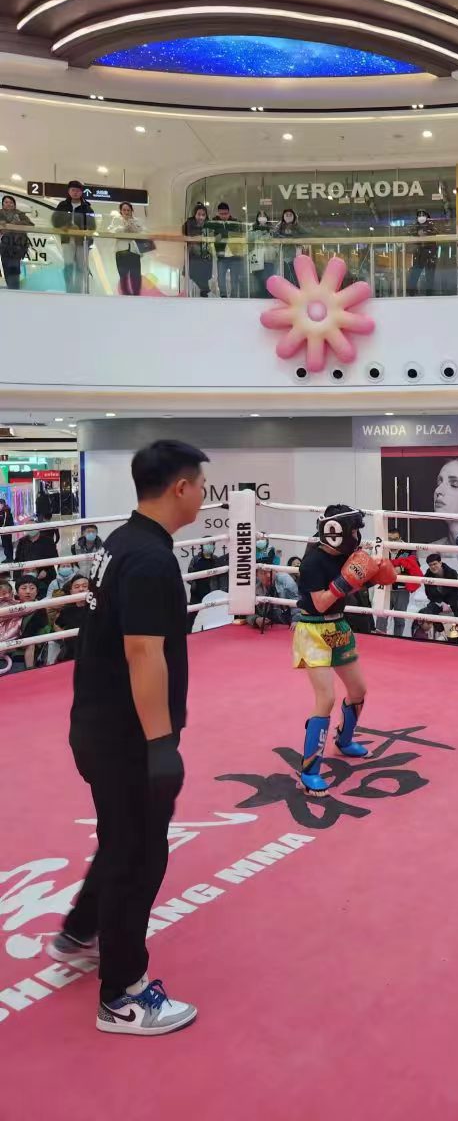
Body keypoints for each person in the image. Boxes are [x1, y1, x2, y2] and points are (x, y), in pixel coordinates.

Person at [49, 439, 209, 1035]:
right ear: (180, 488)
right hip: (127, 737)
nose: (202, 494)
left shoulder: (122, 541)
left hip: (100, 725)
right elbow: (144, 653)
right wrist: (162, 746)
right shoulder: (149, 560)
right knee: (139, 854)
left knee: (122, 840)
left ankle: (81, 929)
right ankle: (122, 995)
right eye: (199, 484)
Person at [292, 504, 396, 796]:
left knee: (358, 689)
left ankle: (344, 740)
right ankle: (309, 770)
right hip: (312, 630)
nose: (356, 536)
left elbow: (359, 584)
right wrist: (348, 580)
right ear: (336, 532)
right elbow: (320, 603)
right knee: (325, 698)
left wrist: (374, 574)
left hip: (338, 627)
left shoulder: (347, 556)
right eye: (353, 531)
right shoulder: (312, 562)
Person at [52, 180, 96, 294]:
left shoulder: (87, 207)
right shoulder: (62, 205)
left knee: (81, 266)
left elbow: (92, 225)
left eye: (78, 190)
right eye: (73, 190)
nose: (75, 192)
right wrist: (65, 226)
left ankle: (78, 290)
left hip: (82, 241)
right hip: (67, 239)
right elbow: (55, 221)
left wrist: (81, 229)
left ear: (81, 192)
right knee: (68, 264)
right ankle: (69, 289)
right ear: (69, 191)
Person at [377, 530, 420, 638]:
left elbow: (416, 565)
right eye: (390, 539)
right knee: (381, 618)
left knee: (399, 619)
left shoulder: (409, 548)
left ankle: (397, 641)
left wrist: (401, 568)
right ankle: (379, 641)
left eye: (395, 539)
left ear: (400, 539)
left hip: (401, 589)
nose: (392, 542)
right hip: (384, 588)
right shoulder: (381, 547)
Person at [108, 201, 148, 296]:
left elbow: (144, 232)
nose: (126, 212)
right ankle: (125, 296)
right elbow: (111, 231)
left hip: (134, 251)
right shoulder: (116, 220)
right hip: (121, 251)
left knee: (136, 276)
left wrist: (134, 228)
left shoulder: (137, 221)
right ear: (121, 211)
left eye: (128, 210)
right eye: (124, 210)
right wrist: (123, 229)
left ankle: (136, 295)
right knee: (123, 276)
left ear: (131, 211)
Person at [50, 573, 90, 661]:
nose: (81, 589)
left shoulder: (97, 608)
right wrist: (65, 637)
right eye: (77, 587)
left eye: (84, 586)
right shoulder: (67, 610)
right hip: (71, 654)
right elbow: (56, 625)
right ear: (71, 592)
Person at [211, 201, 247, 298]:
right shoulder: (214, 223)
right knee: (221, 279)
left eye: (225, 213)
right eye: (221, 214)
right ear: (218, 213)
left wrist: (223, 234)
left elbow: (240, 235)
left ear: (229, 212)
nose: (223, 216)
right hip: (221, 256)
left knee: (234, 279)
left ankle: (233, 298)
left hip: (235, 256)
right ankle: (223, 297)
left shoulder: (235, 222)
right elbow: (211, 235)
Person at [14, 576, 50, 669]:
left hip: (28, 654)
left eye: (32, 588)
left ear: (37, 592)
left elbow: (31, 635)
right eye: (24, 588)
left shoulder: (40, 609)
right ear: (17, 592)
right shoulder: (11, 608)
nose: (28, 591)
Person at [14, 523, 58, 595]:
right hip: (27, 577)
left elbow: (54, 557)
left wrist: (46, 570)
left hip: (45, 577)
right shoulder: (22, 541)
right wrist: (21, 574)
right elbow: (18, 559)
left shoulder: (48, 540)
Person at [0, 194, 33, 290]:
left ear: (14, 204)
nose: (8, 204)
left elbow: (30, 224)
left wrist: (15, 224)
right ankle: (11, 288)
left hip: (17, 244)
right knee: (6, 266)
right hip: (4, 245)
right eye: (6, 202)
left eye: (11, 202)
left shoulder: (20, 214)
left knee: (14, 266)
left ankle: (14, 289)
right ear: (2, 204)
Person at [406, 209, 439, 297]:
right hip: (419, 253)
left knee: (430, 276)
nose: (421, 217)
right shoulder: (415, 226)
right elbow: (408, 233)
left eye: (423, 215)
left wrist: (426, 233)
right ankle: (411, 293)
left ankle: (429, 295)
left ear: (427, 217)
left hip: (430, 254)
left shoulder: (431, 226)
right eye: (419, 215)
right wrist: (417, 234)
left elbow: (437, 232)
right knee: (415, 273)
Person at [183, 203, 213, 297]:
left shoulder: (209, 225)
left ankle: (204, 290)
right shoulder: (189, 223)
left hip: (205, 255)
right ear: (194, 214)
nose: (201, 217)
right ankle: (204, 290)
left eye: (203, 215)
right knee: (194, 273)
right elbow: (185, 235)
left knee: (203, 275)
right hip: (193, 255)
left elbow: (212, 237)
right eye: (199, 214)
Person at [187, 540, 228, 604]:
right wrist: (194, 583)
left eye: (211, 545)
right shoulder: (195, 560)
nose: (209, 547)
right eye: (207, 545)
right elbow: (188, 578)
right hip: (196, 595)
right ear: (202, 546)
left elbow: (220, 578)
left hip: (211, 594)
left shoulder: (216, 560)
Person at [248, 211, 276, 299]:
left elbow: (274, 240)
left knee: (268, 279)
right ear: (257, 218)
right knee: (259, 279)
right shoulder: (253, 228)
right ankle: (261, 297)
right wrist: (259, 231)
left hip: (268, 258)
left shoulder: (271, 229)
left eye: (264, 215)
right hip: (257, 258)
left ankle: (268, 297)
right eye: (260, 215)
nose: (262, 217)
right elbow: (249, 239)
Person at [274, 208, 302, 281]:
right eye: (287, 215)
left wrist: (293, 237)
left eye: (290, 215)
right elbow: (275, 234)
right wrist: (286, 237)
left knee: (293, 275)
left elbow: (304, 234)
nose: (288, 216)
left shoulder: (297, 226)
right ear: (283, 216)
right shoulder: (279, 225)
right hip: (282, 255)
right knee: (284, 275)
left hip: (294, 254)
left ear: (294, 216)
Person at [0, 496, 14, 562]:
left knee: (7, 544)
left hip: (6, 531)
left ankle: (9, 558)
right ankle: (8, 557)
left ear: (2, 504)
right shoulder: (3, 511)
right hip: (4, 531)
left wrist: (2, 528)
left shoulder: (5, 511)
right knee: (6, 544)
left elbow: (4, 522)